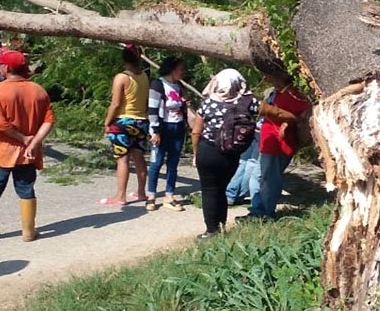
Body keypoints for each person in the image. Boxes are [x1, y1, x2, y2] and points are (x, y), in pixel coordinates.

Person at [191, 69, 297, 239]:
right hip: (231, 154)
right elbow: (277, 113)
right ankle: (221, 225)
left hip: (208, 151)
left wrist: (196, 152)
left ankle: (211, 231)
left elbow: (196, 132)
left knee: (210, 190)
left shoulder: (208, 104)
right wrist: (290, 119)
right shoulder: (249, 102)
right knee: (221, 189)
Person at [0, 50, 54, 242]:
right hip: (27, 153)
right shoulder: (38, 90)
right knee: (26, 189)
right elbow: (49, 121)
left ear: (6, 68)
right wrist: (33, 141)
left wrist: (22, 138)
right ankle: (29, 232)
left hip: (1, 151)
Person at [240, 72, 311, 221]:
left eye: (270, 76)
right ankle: (258, 210)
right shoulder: (277, 93)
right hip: (269, 141)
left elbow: (305, 110)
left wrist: (288, 122)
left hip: (277, 144)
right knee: (262, 177)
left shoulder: (291, 95)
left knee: (269, 179)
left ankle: (265, 213)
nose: (266, 78)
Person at [101, 45, 150, 206]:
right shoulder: (143, 76)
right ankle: (142, 192)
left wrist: (107, 122)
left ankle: (120, 196)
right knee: (139, 158)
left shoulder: (121, 77)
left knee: (122, 160)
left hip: (123, 121)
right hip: (141, 121)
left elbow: (115, 103)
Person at [146, 56, 188, 212]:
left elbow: (182, 105)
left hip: (177, 128)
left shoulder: (178, 85)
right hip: (162, 128)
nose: (182, 72)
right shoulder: (158, 85)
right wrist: (155, 131)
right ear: (172, 69)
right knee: (156, 162)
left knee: (173, 163)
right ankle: (151, 196)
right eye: (180, 69)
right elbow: (152, 109)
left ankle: (169, 195)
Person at [225, 88, 274, 206]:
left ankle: (230, 194)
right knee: (252, 164)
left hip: (254, 129)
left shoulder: (270, 93)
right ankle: (240, 194)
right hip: (265, 131)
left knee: (243, 162)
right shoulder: (278, 95)